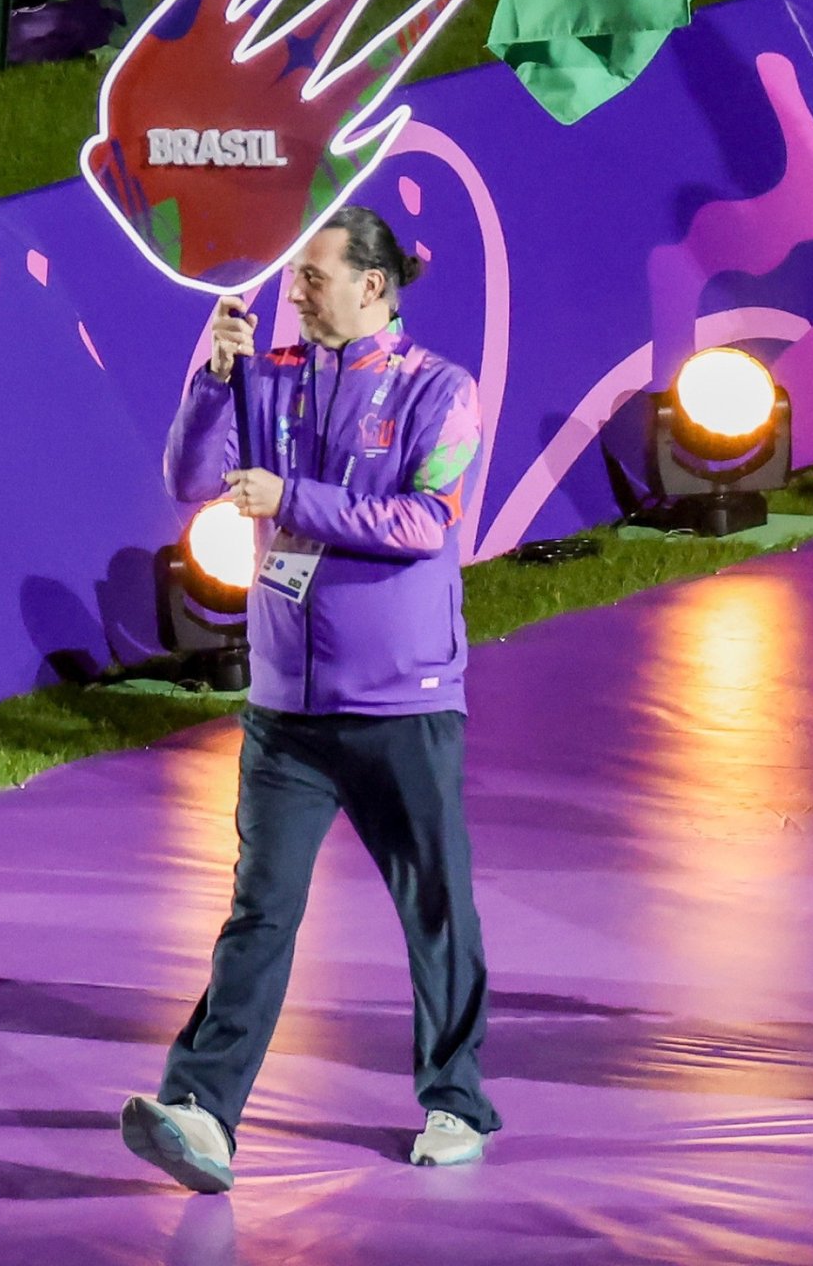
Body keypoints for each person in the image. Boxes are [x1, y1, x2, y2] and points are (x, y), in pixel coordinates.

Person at [121, 206, 499, 1192]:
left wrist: (291, 500)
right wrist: (213, 375)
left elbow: (427, 519)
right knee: (260, 911)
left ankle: (455, 1100)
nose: (296, 291)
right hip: (287, 712)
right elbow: (188, 475)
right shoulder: (270, 378)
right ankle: (204, 1112)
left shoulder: (439, 391)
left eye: (316, 277)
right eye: (296, 278)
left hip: (404, 704)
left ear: (373, 285)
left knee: (437, 909)